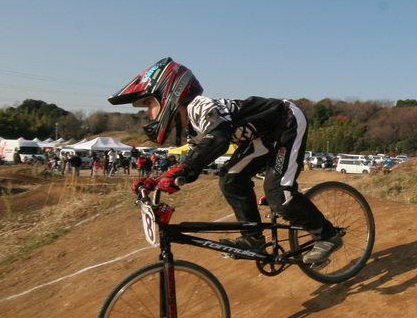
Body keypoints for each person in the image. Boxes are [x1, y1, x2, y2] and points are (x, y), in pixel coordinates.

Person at [109, 57, 340, 264]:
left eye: (149, 104)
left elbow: (217, 139)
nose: (148, 113)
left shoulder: (198, 107)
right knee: (230, 180)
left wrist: (186, 169)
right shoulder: (193, 129)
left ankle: (327, 236)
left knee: (279, 195)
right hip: (261, 136)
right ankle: (253, 239)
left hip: (286, 121)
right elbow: (196, 156)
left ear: (168, 95)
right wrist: (159, 179)